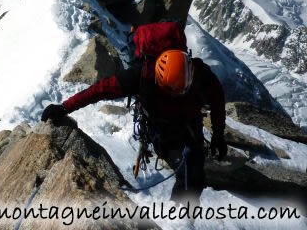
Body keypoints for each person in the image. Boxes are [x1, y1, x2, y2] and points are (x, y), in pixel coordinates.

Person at [41, 45, 227, 206]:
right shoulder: (140, 75)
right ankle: (179, 220)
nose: (176, 95)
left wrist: (219, 134)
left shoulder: (201, 73)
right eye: (170, 91)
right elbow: (99, 90)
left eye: (181, 91)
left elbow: (217, 99)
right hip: (161, 130)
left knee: (196, 179)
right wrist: (65, 107)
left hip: (189, 126)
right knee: (188, 177)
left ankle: (183, 219)